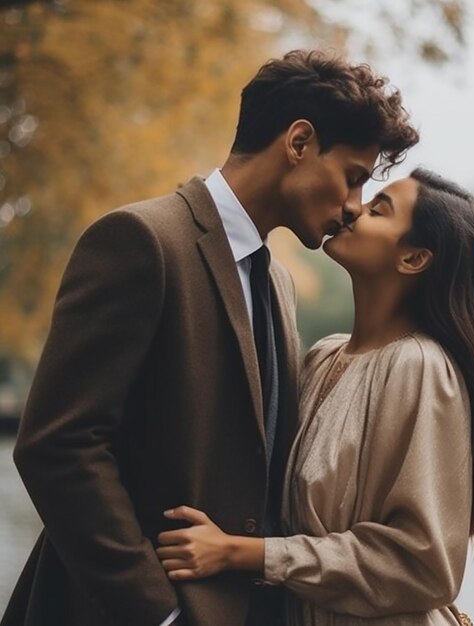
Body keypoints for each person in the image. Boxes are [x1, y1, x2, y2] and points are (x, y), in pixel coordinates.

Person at [1, 50, 418, 626]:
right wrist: (161, 614)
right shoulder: (140, 241)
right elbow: (57, 446)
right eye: (352, 177)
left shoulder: (277, 282)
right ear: (298, 143)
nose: (352, 207)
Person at [154, 168, 474, 626]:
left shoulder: (420, 367)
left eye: (379, 210)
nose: (354, 209)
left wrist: (241, 553)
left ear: (413, 258)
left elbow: (424, 565)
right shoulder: (322, 358)